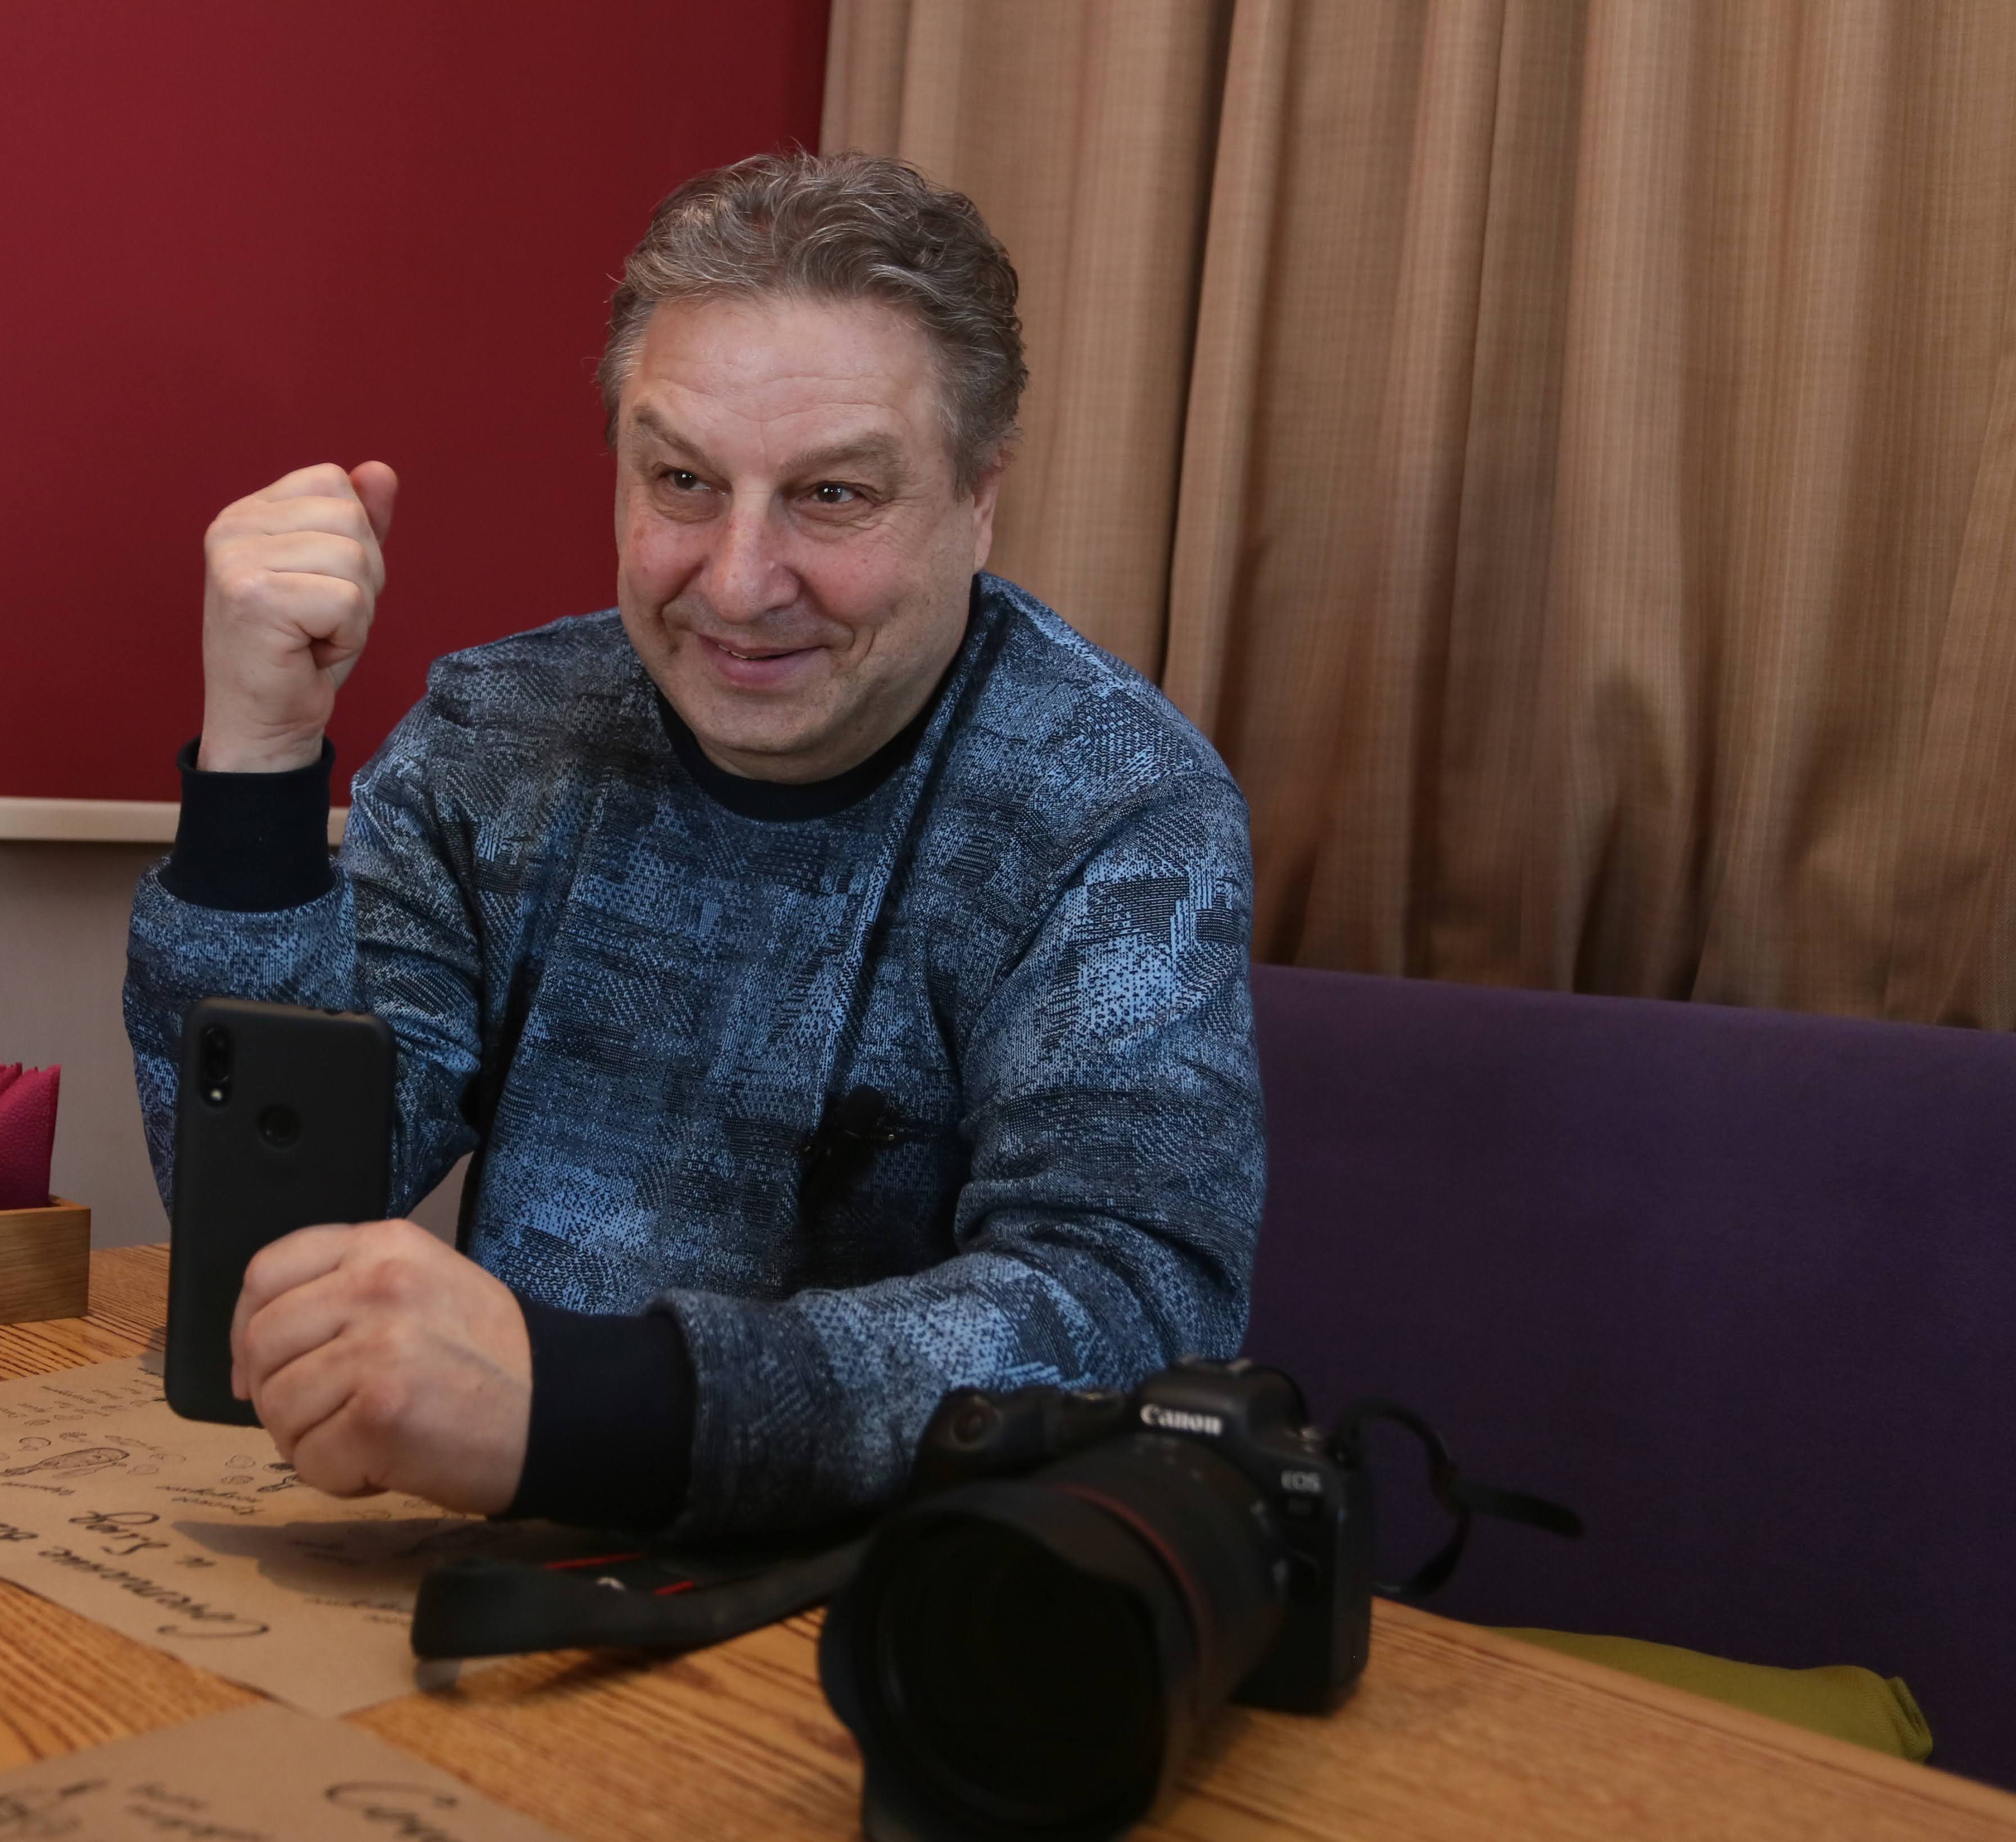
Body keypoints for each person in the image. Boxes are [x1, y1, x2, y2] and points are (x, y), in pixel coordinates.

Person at [125, 151, 1263, 1537]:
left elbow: (1127, 1309)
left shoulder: (1114, 801)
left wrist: (576, 1406)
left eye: (832, 495)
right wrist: (258, 756)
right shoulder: (500, 734)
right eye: (682, 480)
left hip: (886, 1590)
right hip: (485, 1556)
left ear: (979, 496)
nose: (737, 582)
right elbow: (267, 1234)